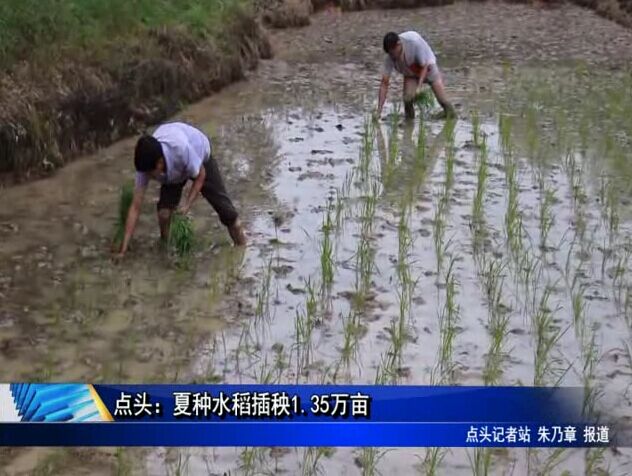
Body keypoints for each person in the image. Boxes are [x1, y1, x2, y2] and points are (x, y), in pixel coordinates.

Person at [114, 121, 246, 258]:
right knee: (164, 214)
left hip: (200, 158)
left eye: (150, 173)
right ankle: (166, 248)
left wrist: (187, 205)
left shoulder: (181, 150)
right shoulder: (146, 165)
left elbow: (201, 174)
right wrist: (123, 249)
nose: (147, 177)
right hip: (173, 170)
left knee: (229, 215)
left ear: (159, 163)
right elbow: (135, 206)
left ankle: (242, 249)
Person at [376, 31, 456, 121]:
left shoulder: (413, 43)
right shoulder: (390, 57)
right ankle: (409, 121)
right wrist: (379, 111)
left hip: (428, 67)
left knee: (443, 101)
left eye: (394, 53)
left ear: (399, 44)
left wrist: (419, 87)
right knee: (407, 99)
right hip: (410, 72)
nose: (393, 57)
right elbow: (384, 83)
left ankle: (451, 116)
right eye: (390, 54)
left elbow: (424, 66)